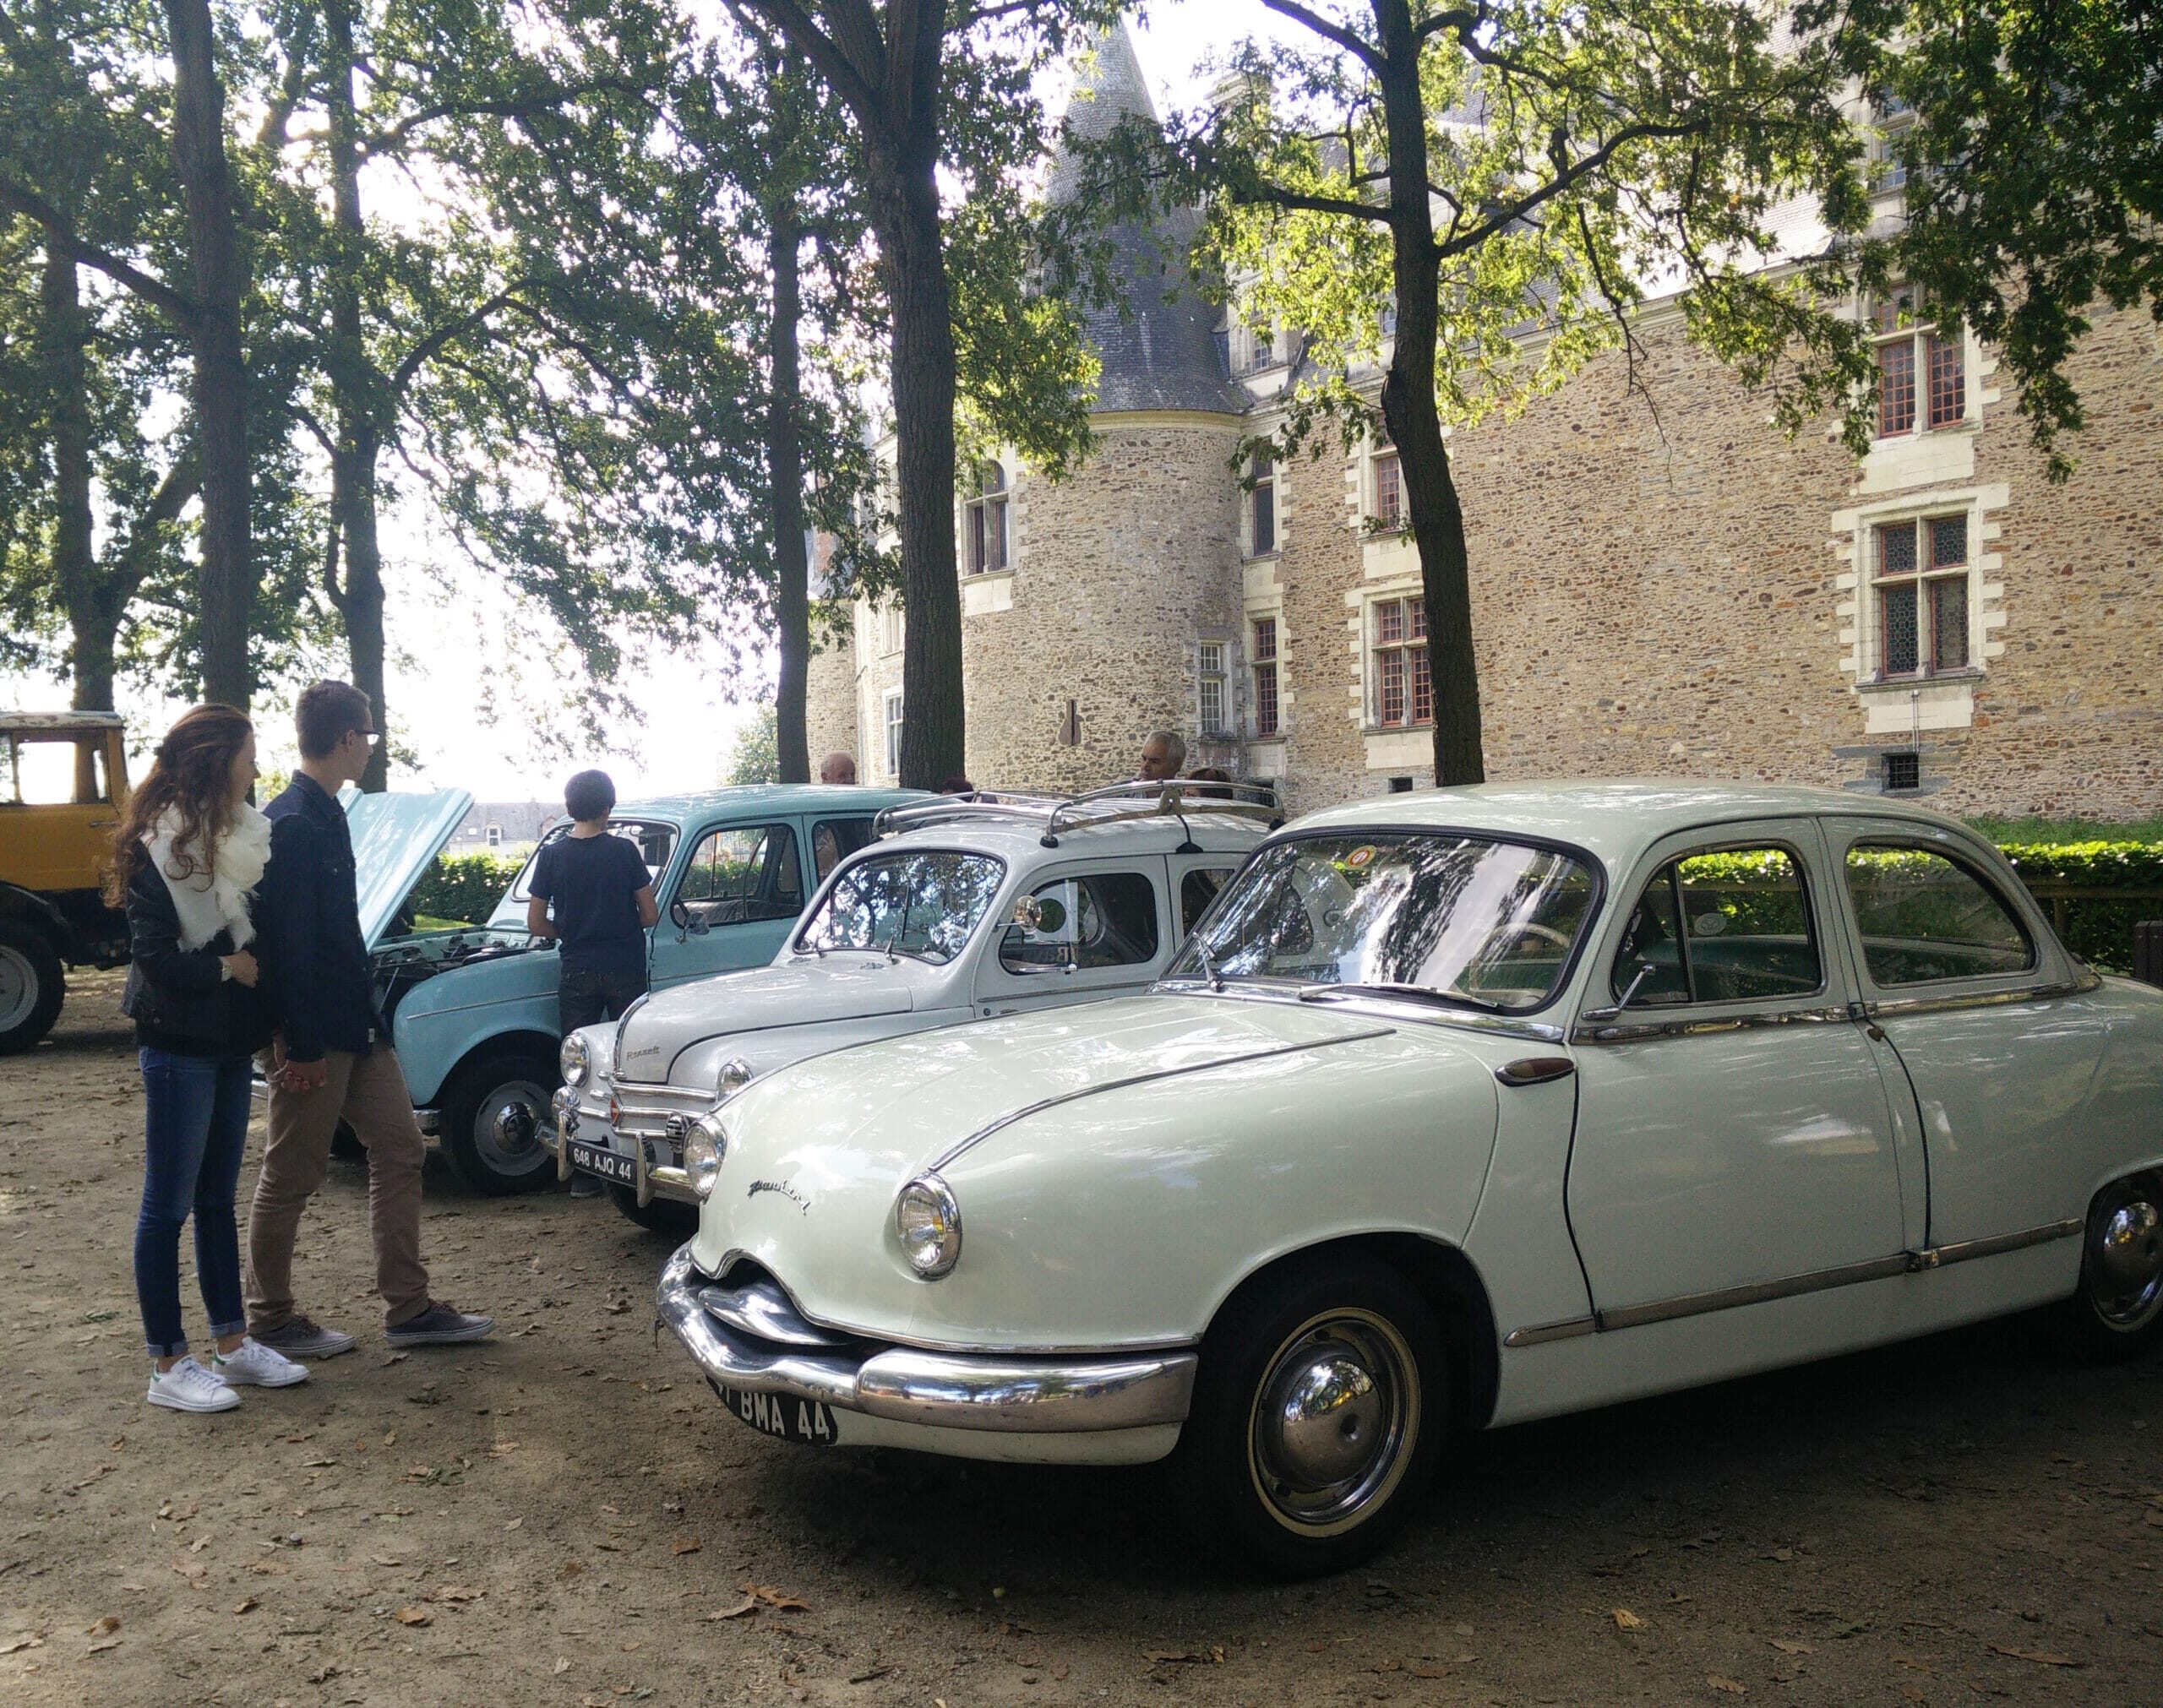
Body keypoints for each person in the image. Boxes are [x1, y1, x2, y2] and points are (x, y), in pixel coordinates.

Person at [245, 681, 493, 1357]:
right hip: (314, 1035)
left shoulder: (327, 813)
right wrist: (298, 1045)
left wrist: (368, 1023)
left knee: (402, 1147)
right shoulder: (294, 822)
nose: (371, 749)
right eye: (370, 736)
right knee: (291, 1174)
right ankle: (269, 1319)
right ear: (349, 738)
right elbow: (288, 950)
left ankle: (408, 1310)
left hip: (354, 1025)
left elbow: (334, 937)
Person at [110, 704, 310, 1412]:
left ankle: (232, 1345)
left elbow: (259, 948)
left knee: (216, 1200)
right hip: (177, 1046)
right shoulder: (157, 846)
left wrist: (269, 1025)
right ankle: (167, 1363)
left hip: (226, 1045)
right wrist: (229, 968)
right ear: (215, 759)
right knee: (166, 1207)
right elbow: (155, 958)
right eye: (249, 755)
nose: (257, 768)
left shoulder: (235, 837)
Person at [526, 770, 658, 1197]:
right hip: (624, 964)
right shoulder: (624, 852)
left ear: (570, 808)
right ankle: (633, 1155)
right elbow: (651, 914)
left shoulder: (552, 856)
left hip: (578, 967)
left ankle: (582, 1170)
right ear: (608, 807)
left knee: (578, 1070)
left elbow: (536, 922)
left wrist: (568, 929)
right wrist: (619, 925)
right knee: (631, 1062)